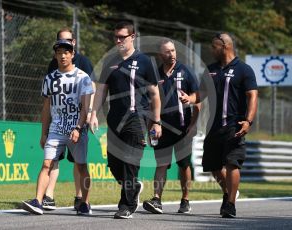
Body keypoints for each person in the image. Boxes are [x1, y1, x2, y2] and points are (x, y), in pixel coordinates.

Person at [88, 21, 162, 219]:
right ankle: (134, 185)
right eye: (116, 37)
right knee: (114, 163)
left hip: (137, 119)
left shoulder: (145, 61)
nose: (119, 40)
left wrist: (156, 122)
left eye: (122, 36)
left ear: (132, 37)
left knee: (130, 161)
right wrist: (93, 113)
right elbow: (101, 91)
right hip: (115, 119)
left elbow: (154, 94)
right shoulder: (110, 61)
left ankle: (126, 205)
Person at [22, 39, 94, 215]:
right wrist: (43, 133)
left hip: (76, 129)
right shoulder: (50, 78)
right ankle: (37, 201)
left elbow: (85, 107)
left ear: (72, 54)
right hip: (56, 129)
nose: (63, 55)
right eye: (59, 52)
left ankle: (84, 203)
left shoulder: (83, 77)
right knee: (47, 163)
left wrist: (78, 128)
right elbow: (46, 108)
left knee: (81, 166)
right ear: (55, 55)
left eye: (66, 52)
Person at [200, 33, 258, 218]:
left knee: (232, 163)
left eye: (214, 46)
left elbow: (253, 96)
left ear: (225, 46)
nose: (211, 49)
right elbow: (200, 94)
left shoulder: (244, 69)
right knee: (213, 166)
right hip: (214, 127)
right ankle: (229, 191)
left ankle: (230, 204)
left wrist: (248, 121)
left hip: (235, 125)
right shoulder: (209, 70)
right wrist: (189, 98)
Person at [142, 38, 200, 214]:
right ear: (160, 54)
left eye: (173, 50)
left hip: (183, 127)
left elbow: (197, 99)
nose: (172, 54)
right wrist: (151, 126)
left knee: (184, 164)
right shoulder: (154, 74)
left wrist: (193, 124)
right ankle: (157, 200)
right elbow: (148, 104)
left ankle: (185, 199)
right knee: (161, 163)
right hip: (161, 128)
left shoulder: (186, 71)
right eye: (167, 51)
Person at [42, 28, 95, 211]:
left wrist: (91, 114)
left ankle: (81, 198)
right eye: (61, 43)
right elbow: (49, 98)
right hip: (58, 123)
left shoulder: (83, 64)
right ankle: (47, 196)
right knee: (51, 160)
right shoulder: (53, 65)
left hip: (77, 122)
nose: (63, 54)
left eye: (69, 41)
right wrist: (46, 129)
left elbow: (91, 89)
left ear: (74, 44)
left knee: (79, 163)